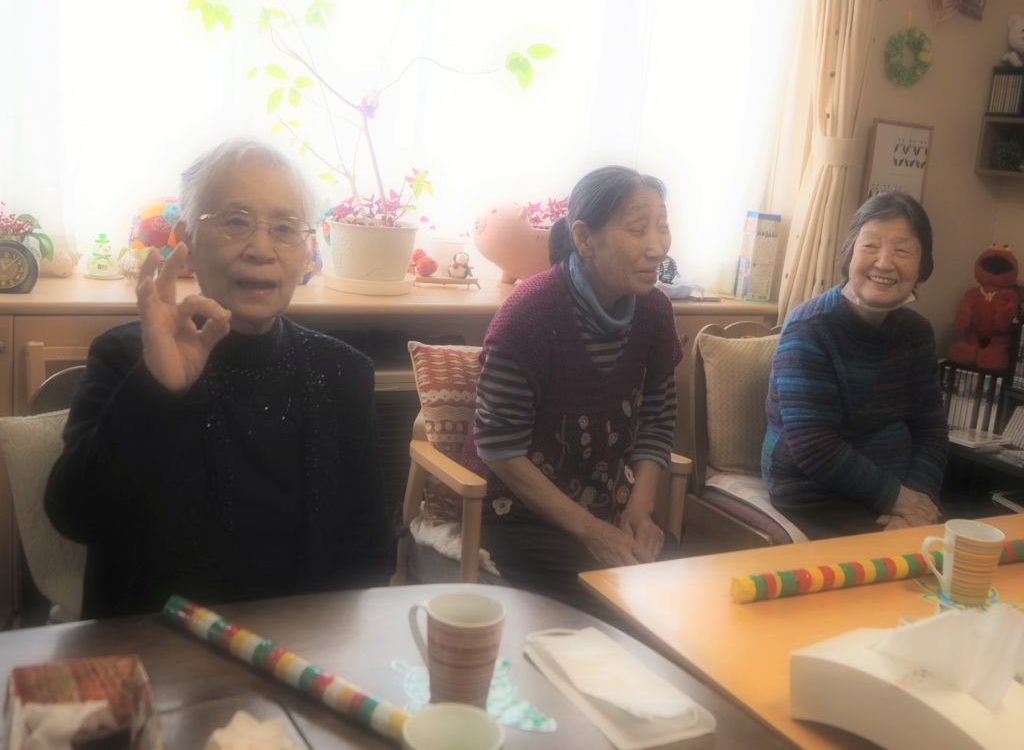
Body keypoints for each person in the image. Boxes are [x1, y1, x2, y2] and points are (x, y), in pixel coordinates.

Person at [46, 139, 390, 618]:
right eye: (235, 221)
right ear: (186, 239)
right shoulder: (124, 357)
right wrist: (155, 390)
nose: (261, 250)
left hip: (300, 644)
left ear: (308, 251)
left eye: (285, 228)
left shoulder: (343, 373)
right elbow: (73, 516)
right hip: (158, 644)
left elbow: (370, 548)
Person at [461, 166, 681, 610]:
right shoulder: (529, 316)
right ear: (584, 238)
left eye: (662, 226)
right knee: (616, 604)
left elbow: (657, 418)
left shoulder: (655, 312)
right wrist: (593, 532)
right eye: (638, 229)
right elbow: (500, 448)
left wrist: (640, 510)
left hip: (611, 502)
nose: (657, 247)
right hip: (515, 512)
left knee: (688, 589)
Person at [762, 192, 947, 539]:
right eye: (870, 246)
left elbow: (931, 430)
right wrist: (899, 500)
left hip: (897, 497)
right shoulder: (810, 328)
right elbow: (814, 446)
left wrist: (918, 498)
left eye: (903, 251)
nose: (884, 263)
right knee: (901, 560)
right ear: (850, 254)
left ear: (923, 265)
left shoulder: (917, 332)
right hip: (815, 494)